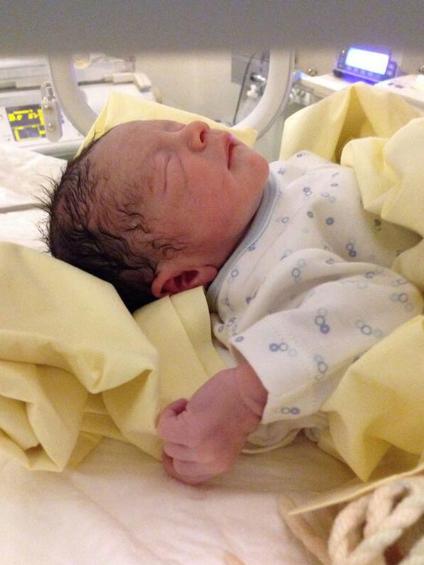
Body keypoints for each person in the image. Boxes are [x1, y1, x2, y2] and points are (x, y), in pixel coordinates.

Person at [43, 119, 423, 485]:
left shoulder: (268, 184)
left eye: (172, 126)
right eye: (169, 168)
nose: (195, 130)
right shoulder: (260, 284)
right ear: (184, 278)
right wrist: (247, 393)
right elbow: (381, 306)